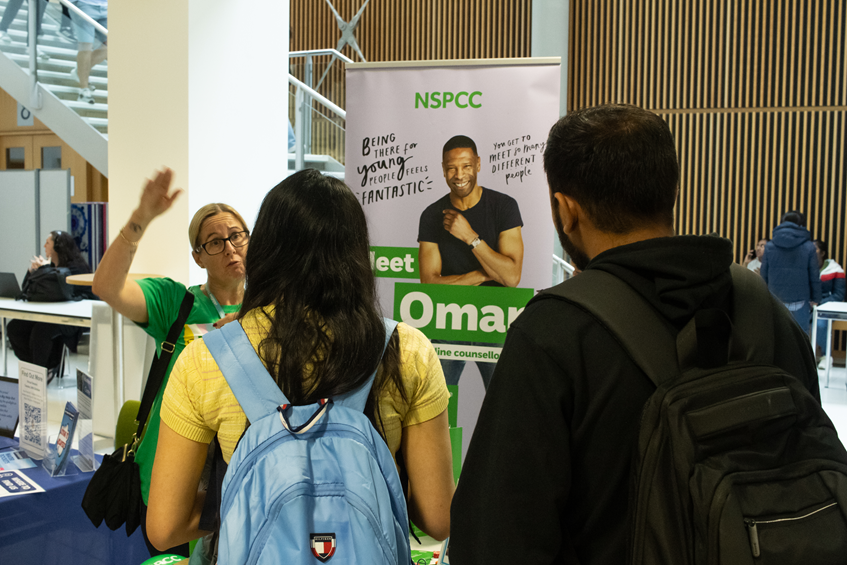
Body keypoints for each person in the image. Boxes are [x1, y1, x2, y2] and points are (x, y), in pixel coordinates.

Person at [449, 104, 820, 564]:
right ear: (670, 192)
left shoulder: (552, 336)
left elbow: (492, 541)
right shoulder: (766, 312)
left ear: (565, 211)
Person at [146, 169, 455, 553]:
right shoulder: (406, 350)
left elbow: (165, 526)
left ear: (264, 251)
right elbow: (438, 518)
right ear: (356, 251)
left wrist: (253, 500)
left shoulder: (206, 360)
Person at [91, 168, 248, 558]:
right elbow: (106, 287)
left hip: (239, 477)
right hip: (172, 479)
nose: (230, 248)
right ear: (197, 256)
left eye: (237, 236)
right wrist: (141, 218)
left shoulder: (269, 311)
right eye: (214, 242)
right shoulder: (176, 302)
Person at [417, 135, 524, 389]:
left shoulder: (504, 207)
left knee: (503, 400)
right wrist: (483, 275)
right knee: (436, 402)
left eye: (466, 166)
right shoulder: (432, 215)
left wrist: (470, 237)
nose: (459, 174)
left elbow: (511, 277)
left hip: (494, 318)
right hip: (447, 319)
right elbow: (430, 285)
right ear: (443, 170)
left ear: (478, 164)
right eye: (451, 167)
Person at [7, 230, 95, 382]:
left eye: (48, 243)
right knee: (15, 327)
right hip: (50, 314)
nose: (44, 246)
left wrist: (45, 270)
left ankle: (39, 373)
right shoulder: (52, 266)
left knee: (41, 330)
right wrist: (32, 272)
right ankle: (35, 369)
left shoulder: (76, 267)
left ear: (58, 246)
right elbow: (28, 290)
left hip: (71, 318)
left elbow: (60, 292)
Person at [760, 211, 821, 334]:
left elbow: (763, 276)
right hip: (800, 302)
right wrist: (816, 299)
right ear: (801, 225)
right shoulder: (809, 247)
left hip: (775, 301)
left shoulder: (769, 247)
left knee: (777, 337)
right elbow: (814, 277)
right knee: (800, 340)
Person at [68, 0, 107, 104]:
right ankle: (83, 89)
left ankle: (79, 72)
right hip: (84, 5)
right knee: (86, 46)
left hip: (106, 7)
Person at [813, 239, 846, 356]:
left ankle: (825, 356)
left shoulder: (835, 269)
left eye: (815, 248)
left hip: (827, 308)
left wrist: (819, 303)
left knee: (820, 324)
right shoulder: (805, 269)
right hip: (808, 306)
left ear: (822, 253)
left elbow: (839, 295)